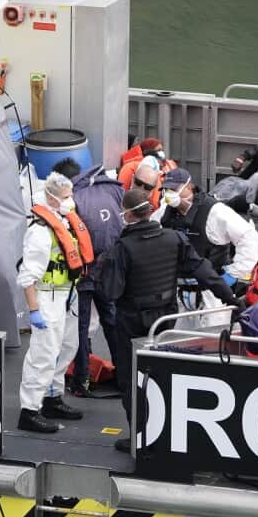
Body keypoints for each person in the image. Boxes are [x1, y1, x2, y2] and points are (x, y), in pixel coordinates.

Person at [96, 188, 240, 452]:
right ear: (150, 210)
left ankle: (140, 437)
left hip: (131, 323)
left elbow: (110, 292)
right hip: (166, 320)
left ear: (127, 215)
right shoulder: (174, 239)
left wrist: (103, 266)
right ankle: (168, 432)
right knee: (164, 374)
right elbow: (202, 270)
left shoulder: (123, 247)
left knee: (131, 379)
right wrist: (230, 298)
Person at [16, 172, 89, 433]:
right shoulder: (39, 231)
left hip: (67, 295)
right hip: (47, 296)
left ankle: (53, 397)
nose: (71, 201)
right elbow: (27, 277)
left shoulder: (65, 222)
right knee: (43, 354)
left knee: (69, 346)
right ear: (51, 197)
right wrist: (34, 311)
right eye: (66, 197)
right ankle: (29, 409)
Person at [153, 168, 258, 328]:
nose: (169, 194)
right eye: (166, 190)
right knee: (177, 343)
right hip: (179, 290)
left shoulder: (214, 211)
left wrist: (232, 274)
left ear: (189, 187)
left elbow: (249, 237)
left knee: (211, 342)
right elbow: (150, 231)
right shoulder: (165, 212)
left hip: (212, 294)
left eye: (173, 189)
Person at [68, 161, 125, 398]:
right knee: (112, 322)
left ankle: (81, 381)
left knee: (80, 327)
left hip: (84, 271)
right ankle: (124, 376)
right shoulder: (112, 188)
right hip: (108, 268)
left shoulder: (74, 197)